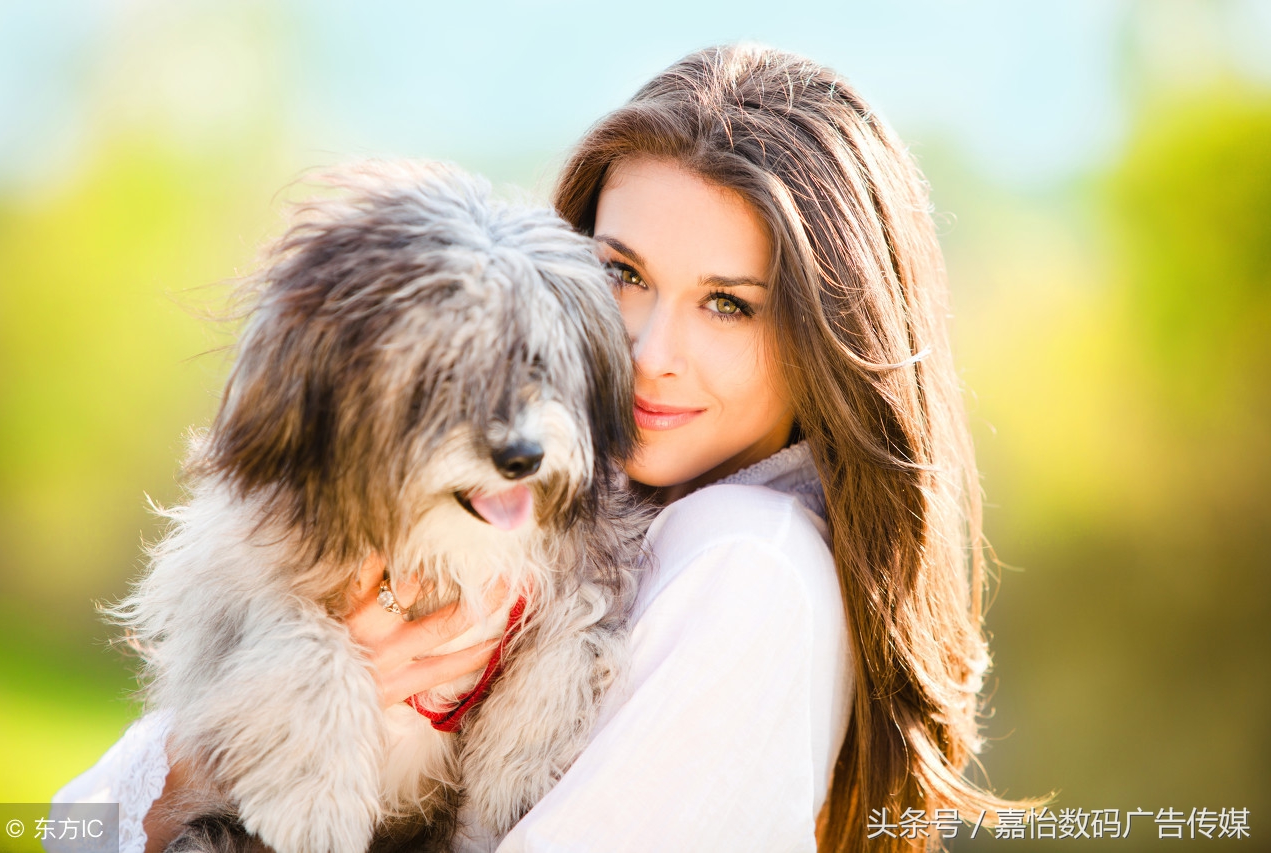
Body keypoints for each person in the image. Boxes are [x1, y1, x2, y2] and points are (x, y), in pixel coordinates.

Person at [57, 44, 1023, 852]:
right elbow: (67, 825)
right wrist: (223, 743)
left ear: (830, 334)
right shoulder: (534, 499)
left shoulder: (743, 559)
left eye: (729, 304)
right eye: (622, 274)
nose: (647, 353)